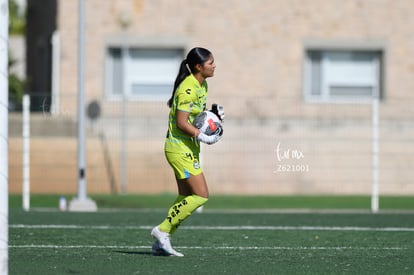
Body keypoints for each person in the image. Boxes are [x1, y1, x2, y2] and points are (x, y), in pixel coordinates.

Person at [151, 47, 224, 257]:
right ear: (199, 67)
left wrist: (213, 115)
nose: (214, 66)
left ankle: (161, 240)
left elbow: (196, 116)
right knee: (201, 195)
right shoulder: (188, 88)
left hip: (187, 147)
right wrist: (203, 136)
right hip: (179, 149)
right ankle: (163, 229)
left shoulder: (203, 84)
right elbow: (182, 122)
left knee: (185, 195)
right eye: (210, 63)